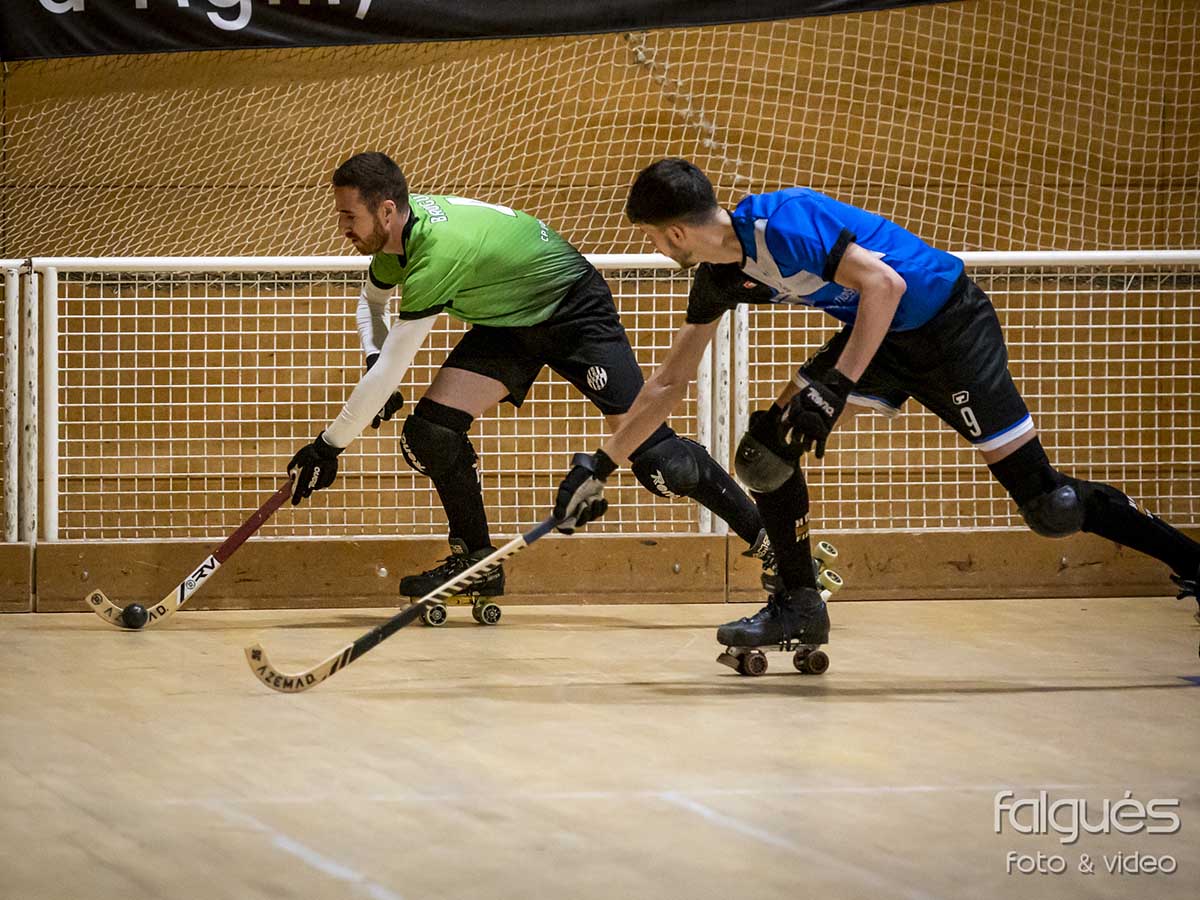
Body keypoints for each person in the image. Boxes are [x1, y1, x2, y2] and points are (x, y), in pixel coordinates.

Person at [553, 157, 1200, 651]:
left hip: (948, 328)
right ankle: (799, 606)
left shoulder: (784, 220)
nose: (656, 250)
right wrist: (601, 465)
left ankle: (1192, 563)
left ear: (674, 232)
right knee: (766, 455)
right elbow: (668, 382)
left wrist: (835, 385)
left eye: (653, 239)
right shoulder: (722, 277)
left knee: (1049, 507)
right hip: (880, 339)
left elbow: (884, 285)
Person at [285, 152, 777, 616]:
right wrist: (373, 358)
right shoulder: (397, 243)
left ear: (387, 210)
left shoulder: (435, 251)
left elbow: (395, 367)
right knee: (430, 434)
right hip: (509, 324)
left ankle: (770, 541)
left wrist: (329, 445)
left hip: (573, 310)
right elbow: (372, 305)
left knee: (661, 462)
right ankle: (477, 562)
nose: (343, 227)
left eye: (349, 216)